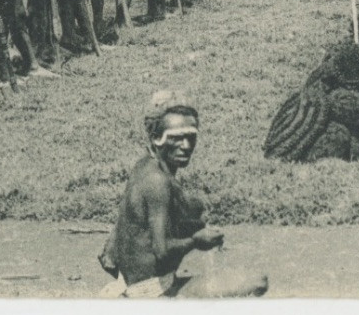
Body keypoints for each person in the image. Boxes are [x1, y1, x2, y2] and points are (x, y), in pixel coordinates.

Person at [99, 92, 268, 299]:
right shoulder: (158, 182)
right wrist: (196, 241)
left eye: (191, 137)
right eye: (177, 138)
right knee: (258, 280)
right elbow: (161, 252)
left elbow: (117, 244)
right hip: (153, 291)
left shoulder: (144, 166)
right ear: (156, 138)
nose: (186, 146)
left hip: (132, 283)